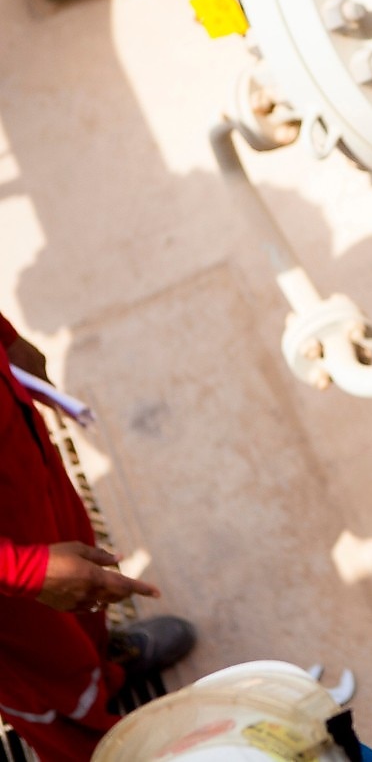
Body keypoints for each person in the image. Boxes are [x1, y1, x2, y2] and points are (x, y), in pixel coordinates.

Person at [0, 313, 197, 762]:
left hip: (22, 468)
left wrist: (7, 338)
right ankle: (89, 741)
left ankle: (102, 672)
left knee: (83, 596)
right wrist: (25, 572)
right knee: (41, 677)